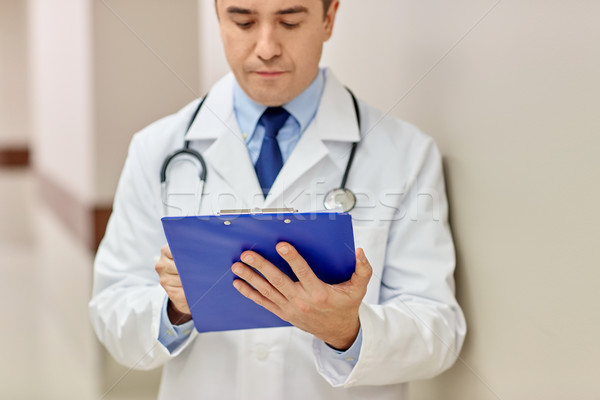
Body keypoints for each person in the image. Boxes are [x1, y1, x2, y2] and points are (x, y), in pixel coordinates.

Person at [89, 0, 466, 399]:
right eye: (243, 21)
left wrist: (348, 331)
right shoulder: (156, 148)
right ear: (218, 18)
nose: (266, 46)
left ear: (329, 18)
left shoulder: (405, 153)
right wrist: (176, 309)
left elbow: (439, 332)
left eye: (289, 21)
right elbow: (112, 311)